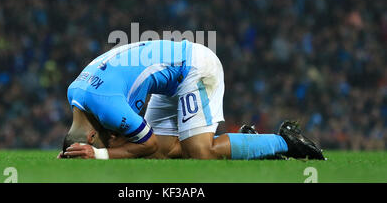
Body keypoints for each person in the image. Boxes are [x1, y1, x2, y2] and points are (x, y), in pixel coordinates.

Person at [59, 40, 324, 160]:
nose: (109, 139)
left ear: (92, 137)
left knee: (200, 152)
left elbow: (146, 142)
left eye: (102, 140)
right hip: (168, 78)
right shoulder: (76, 92)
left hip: (193, 66)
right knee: (158, 156)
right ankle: (248, 143)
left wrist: (101, 155)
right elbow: (147, 147)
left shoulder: (108, 107)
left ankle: (285, 142)